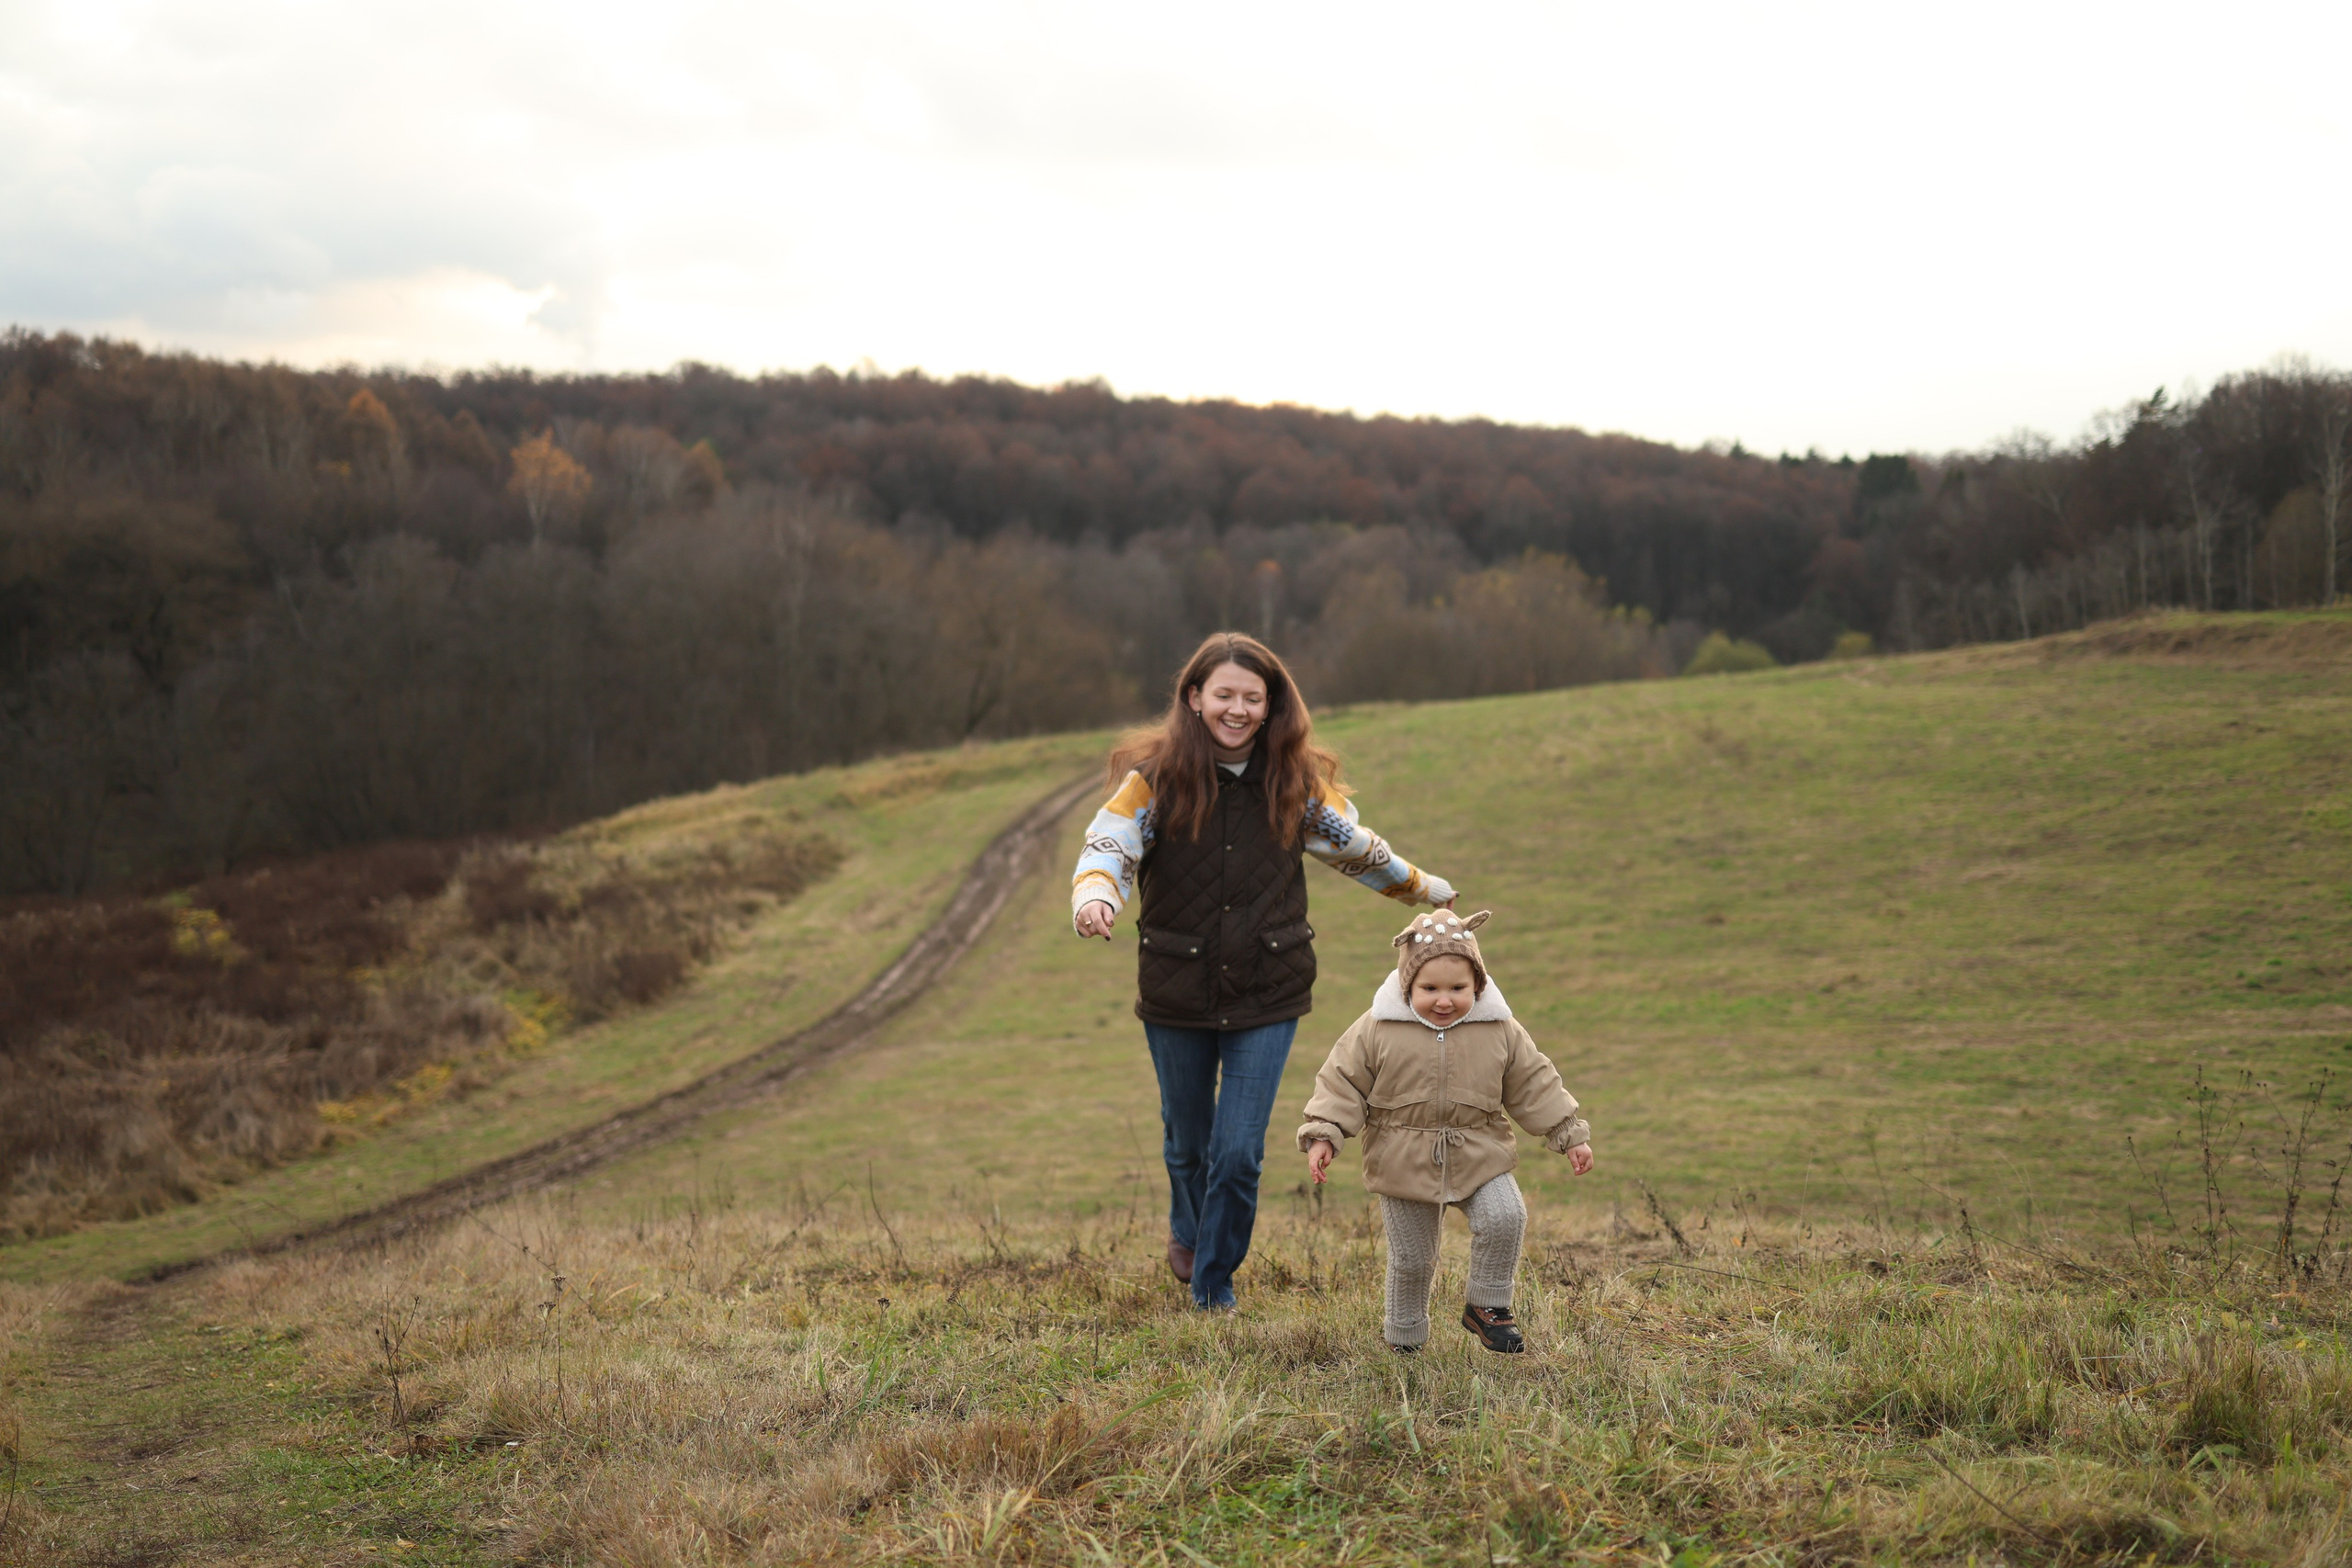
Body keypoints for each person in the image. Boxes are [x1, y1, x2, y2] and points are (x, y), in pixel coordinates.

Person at [1072, 632, 1458, 1311]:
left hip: (1268, 987)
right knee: (1187, 1143)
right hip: (1176, 985)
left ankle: (1212, 1285)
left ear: (1271, 704)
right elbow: (1111, 841)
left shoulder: (1295, 786)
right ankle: (1188, 1231)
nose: (1238, 709)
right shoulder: (1157, 780)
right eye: (1224, 694)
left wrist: (1423, 886)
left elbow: (1359, 850)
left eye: (1253, 697)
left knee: (1240, 1152)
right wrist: (1096, 894)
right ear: (1195, 698)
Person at [1297, 908, 1594, 1354]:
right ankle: (1405, 1338)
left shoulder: (1499, 1029)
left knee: (1505, 1215)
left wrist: (1569, 1132)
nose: (1444, 1000)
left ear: (1477, 984)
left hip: (1479, 1147)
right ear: (1406, 986)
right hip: (1401, 1156)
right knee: (1414, 1259)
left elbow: (1533, 1081)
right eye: (1429, 989)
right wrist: (1325, 1132)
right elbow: (1342, 1079)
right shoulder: (1378, 1028)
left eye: (1458, 988)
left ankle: (1487, 1306)